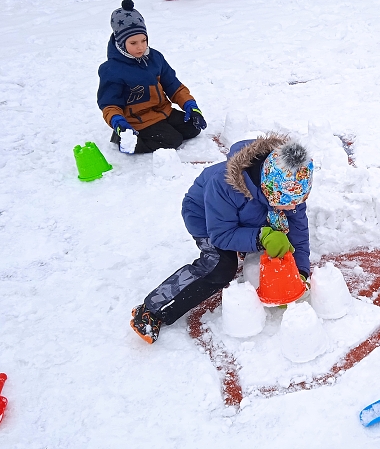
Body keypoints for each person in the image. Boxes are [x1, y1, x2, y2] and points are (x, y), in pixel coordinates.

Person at [130, 133, 314, 343]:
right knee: (220, 266)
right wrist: (262, 236)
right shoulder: (223, 185)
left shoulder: (289, 188)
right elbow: (221, 235)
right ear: (270, 191)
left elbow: (298, 228)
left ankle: (251, 237)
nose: (294, 207)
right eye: (289, 203)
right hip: (207, 220)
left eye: (298, 201)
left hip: (251, 213)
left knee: (284, 232)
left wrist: (300, 271)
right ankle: (153, 310)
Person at [97, 0, 207, 154]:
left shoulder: (155, 58)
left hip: (164, 111)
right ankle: (124, 140)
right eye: (133, 42)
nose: (141, 47)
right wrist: (118, 121)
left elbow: (173, 85)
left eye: (143, 40)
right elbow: (109, 105)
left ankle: (165, 128)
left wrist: (190, 105)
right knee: (172, 140)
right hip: (138, 121)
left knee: (193, 128)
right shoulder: (112, 70)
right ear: (121, 43)